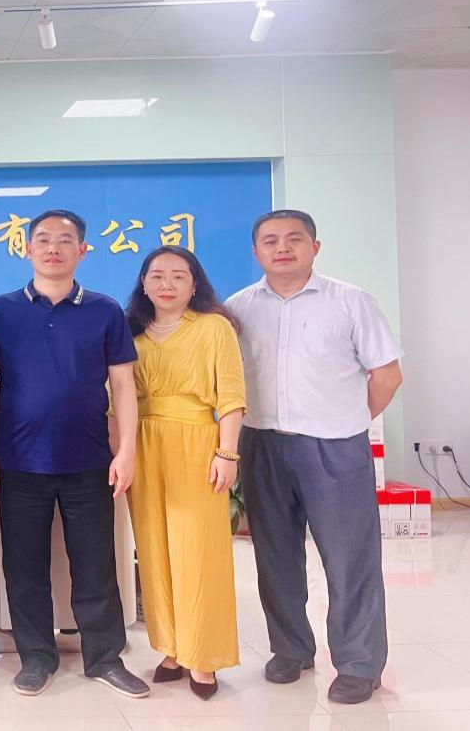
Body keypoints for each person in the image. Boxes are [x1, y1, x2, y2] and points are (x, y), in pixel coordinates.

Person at [227, 209, 403, 705]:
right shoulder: (238, 308)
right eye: (270, 241)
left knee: (349, 560)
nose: (282, 248)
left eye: (294, 239)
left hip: (335, 447)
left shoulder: (351, 301)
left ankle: (359, 664)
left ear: (314, 247)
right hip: (262, 443)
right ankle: (290, 650)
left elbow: (387, 375)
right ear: (256, 251)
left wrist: (346, 419)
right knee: (275, 556)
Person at [0, 208, 149, 700]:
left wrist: (127, 451)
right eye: (44, 239)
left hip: (89, 460)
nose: (54, 248)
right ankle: (36, 658)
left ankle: (105, 658)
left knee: (95, 565)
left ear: (82, 251)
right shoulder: (1, 311)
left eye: (65, 240)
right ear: (27, 248)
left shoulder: (105, 311)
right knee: (24, 566)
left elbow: (124, 386)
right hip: (18, 460)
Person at [123, 245, 246, 700]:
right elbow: (117, 399)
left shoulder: (214, 327)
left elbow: (231, 395)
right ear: (143, 283)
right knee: (154, 550)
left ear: (195, 284)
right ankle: (171, 648)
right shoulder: (131, 333)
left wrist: (227, 453)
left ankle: (204, 656)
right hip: (143, 445)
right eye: (157, 276)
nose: (167, 284)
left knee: (198, 551)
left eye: (179, 276)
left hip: (197, 444)